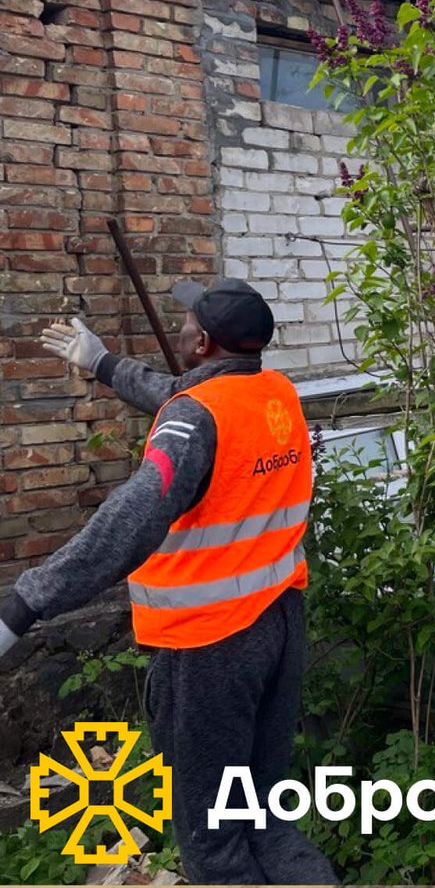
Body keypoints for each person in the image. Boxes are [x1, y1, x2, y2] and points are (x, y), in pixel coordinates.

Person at [0, 280, 335, 885]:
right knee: (265, 814)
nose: (179, 327)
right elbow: (180, 395)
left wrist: (24, 603)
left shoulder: (195, 416)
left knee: (212, 837)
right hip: (279, 625)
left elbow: (130, 519)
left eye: (185, 320)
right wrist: (101, 362)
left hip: (211, 644)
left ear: (201, 340)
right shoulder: (272, 391)